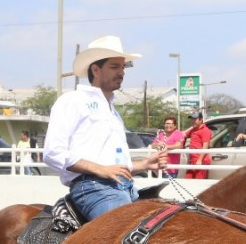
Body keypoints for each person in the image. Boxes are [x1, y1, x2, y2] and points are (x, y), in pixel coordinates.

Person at [42, 36, 166, 220]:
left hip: (125, 188)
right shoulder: (72, 101)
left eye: (123, 67)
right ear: (95, 70)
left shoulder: (113, 112)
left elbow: (113, 167)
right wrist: (100, 169)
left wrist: (145, 164)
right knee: (125, 228)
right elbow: (52, 153)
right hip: (92, 188)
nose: (121, 72)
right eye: (114, 67)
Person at [180, 110, 213, 179]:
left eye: (195, 119)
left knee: (198, 182)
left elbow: (205, 146)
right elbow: (183, 134)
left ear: (201, 120)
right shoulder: (194, 130)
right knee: (187, 180)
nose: (192, 121)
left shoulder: (205, 130)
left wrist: (200, 160)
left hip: (201, 160)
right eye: (192, 119)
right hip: (192, 160)